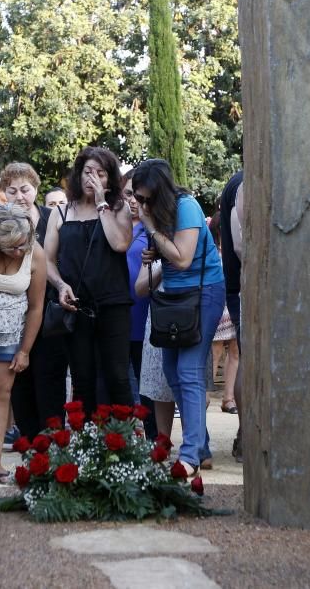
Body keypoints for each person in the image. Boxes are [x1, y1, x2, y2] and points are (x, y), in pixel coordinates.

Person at [132, 158, 225, 476]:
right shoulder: (157, 213)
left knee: (188, 370)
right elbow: (166, 262)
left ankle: (190, 455)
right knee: (172, 370)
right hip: (173, 298)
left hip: (204, 293)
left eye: (146, 198)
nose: (142, 205)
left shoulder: (185, 206)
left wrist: (154, 232)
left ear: (161, 191)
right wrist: (155, 251)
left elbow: (184, 259)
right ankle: (196, 448)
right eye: (138, 198)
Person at [45, 147, 134, 415]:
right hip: (76, 306)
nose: (92, 178)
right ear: (77, 175)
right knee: (82, 379)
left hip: (113, 304)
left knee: (117, 376)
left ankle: (127, 444)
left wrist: (100, 203)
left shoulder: (120, 209)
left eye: (100, 174)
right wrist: (60, 285)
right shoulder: (60, 213)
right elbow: (48, 260)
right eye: (87, 172)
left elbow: (120, 243)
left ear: (110, 180)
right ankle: (85, 445)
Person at [0, 163, 69, 440]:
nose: (19, 196)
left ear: (36, 189)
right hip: (14, 314)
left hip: (50, 313)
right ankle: (28, 440)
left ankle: (53, 440)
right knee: (20, 381)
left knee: (50, 377)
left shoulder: (52, 217)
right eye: (12, 190)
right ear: (4, 192)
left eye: (25, 189)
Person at [0, 205, 47, 483]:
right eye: (13, 247)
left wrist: (25, 350)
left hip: (7, 334)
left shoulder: (35, 253)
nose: (20, 251)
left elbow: (36, 307)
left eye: (24, 245)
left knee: (1, 394)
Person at [124, 170, 158, 439]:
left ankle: (156, 441)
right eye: (127, 194)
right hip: (121, 316)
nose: (133, 201)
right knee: (124, 384)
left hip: (147, 314)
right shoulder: (115, 227)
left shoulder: (154, 227)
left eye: (137, 196)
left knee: (148, 385)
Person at [219, 169, 244, 461]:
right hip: (245, 288)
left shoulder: (237, 182)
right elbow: (241, 245)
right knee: (247, 359)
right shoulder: (244, 183)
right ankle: (245, 434)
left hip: (238, 287)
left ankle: (245, 435)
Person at [135, 261, 176, 439]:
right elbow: (140, 288)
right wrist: (162, 267)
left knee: (189, 380)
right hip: (160, 320)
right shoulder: (153, 250)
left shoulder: (193, 237)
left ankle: (199, 443)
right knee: (159, 385)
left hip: (190, 316)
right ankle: (162, 442)